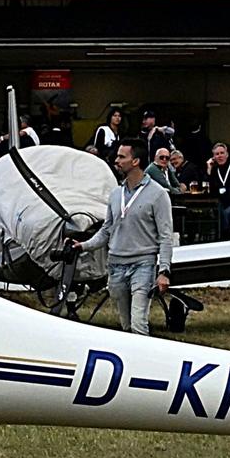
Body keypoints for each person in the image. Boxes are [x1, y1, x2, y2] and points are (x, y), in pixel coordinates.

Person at [70, 139, 172, 337]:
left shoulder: (158, 194)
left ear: (135, 161)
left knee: (138, 323)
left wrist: (164, 270)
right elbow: (107, 230)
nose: (116, 160)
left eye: (121, 156)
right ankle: (133, 360)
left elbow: (166, 236)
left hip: (143, 264)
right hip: (115, 265)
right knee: (125, 327)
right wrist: (83, 246)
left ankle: (143, 362)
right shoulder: (116, 194)